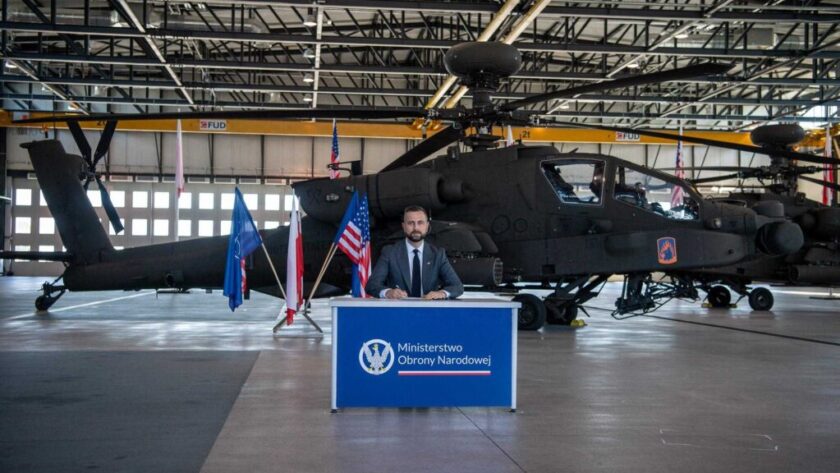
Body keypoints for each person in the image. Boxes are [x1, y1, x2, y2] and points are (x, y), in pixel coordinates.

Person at [366, 205, 464, 300]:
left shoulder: (438, 254)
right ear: (403, 226)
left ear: (427, 226)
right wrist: (388, 292)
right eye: (410, 223)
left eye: (420, 223)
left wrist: (441, 293)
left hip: (429, 311)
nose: (415, 228)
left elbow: (457, 286)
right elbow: (372, 285)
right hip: (398, 311)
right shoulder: (390, 252)